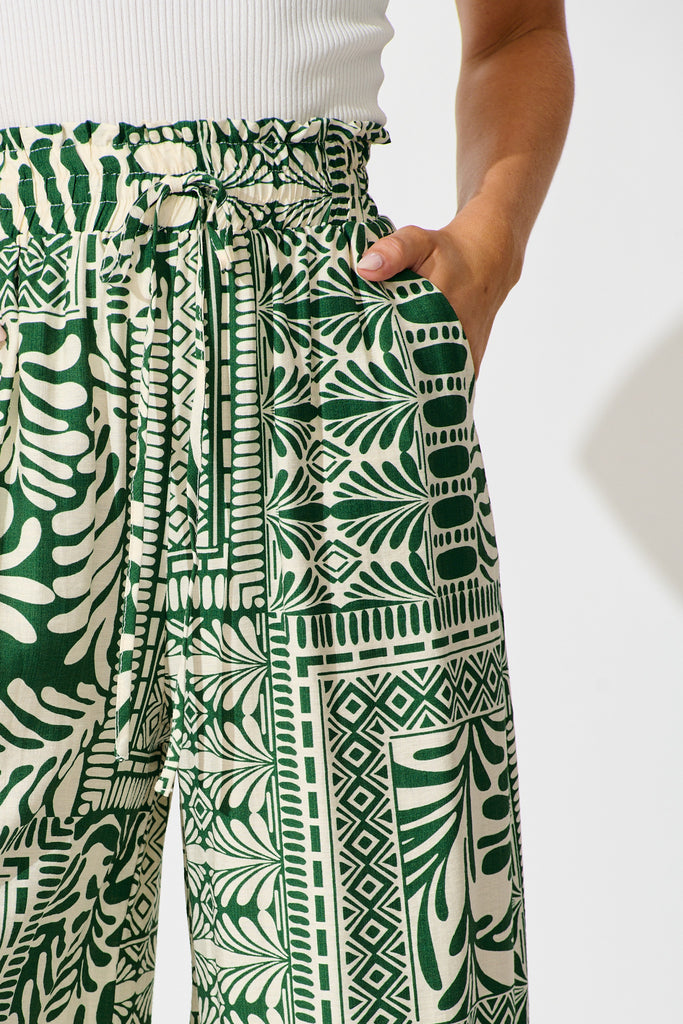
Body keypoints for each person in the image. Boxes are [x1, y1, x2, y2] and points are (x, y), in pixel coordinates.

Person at [0, 2, 573, 1022]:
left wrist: (490, 244)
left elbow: (515, 29)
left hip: (325, 367)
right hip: (23, 356)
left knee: (377, 973)